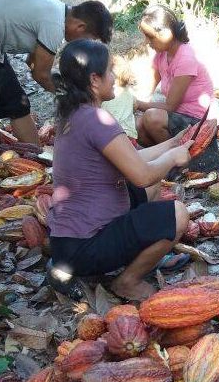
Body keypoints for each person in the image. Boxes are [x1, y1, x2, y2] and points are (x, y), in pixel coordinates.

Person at [46, 39, 193, 302]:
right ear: (94, 80)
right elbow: (142, 173)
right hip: (85, 246)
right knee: (177, 214)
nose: (114, 78)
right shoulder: (97, 120)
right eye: (110, 72)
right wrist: (173, 157)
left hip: (66, 244)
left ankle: (134, 256)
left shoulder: (76, 114)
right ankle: (127, 281)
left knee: (149, 189)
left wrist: (173, 142)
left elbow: (132, 158)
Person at [0, 0, 113, 208]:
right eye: (87, 39)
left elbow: (31, 62)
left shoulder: (55, 13)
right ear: (79, 26)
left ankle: (36, 160)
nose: (82, 46)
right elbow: (40, 73)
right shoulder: (54, 24)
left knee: (19, 105)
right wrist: (73, 97)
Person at [134, 5, 219, 172]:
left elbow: (170, 106)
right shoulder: (161, 55)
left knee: (152, 117)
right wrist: (130, 104)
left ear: (166, 33)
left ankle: (180, 164)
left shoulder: (185, 58)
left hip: (196, 121)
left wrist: (139, 105)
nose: (148, 42)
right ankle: (166, 163)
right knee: (138, 126)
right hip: (178, 117)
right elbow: (147, 90)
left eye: (150, 38)